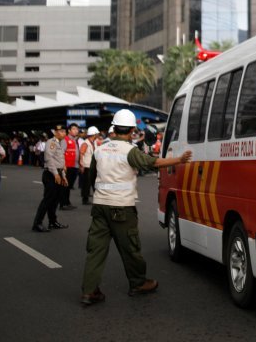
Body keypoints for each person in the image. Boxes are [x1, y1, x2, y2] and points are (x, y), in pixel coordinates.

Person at [80, 109, 193, 306]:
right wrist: (180, 160)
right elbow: (154, 162)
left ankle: (89, 291)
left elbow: (91, 178)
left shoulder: (99, 150)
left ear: (114, 128)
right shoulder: (129, 151)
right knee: (130, 248)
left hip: (100, 207)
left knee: (96, 250)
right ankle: (138, 283)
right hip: (122, 208)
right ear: (132, 130)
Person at [32, 125, 70, 232]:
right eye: (61, 131)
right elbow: (49, 159)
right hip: (50, 174)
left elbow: (60, 162)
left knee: (55, 200)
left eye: (64, 131)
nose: (64, 133)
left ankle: (52, 222)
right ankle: (37, 223)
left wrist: (63, 176)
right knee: (47, 200)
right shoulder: (51, 142)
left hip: (58, 173)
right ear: (55, 132)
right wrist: (56, 174)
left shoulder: (61, 143)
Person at [79, 126, 99, 205]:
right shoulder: (86, 143)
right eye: (96, 134)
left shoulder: (94, 142)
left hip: (93, 166)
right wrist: (82, 165)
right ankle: (85, 199)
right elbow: (81, 154)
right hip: (87, 166)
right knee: (86, 183)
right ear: (94, 134)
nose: (97, 135)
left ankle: (97, 197)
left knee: (94, 182)